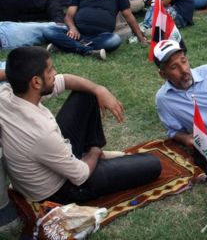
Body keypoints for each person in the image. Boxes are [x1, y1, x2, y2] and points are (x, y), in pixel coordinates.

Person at [0, 47, 161, 203]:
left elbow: (65, 80)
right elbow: (80, 175)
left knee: (87, 92)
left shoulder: (6, 95)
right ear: (36, 82)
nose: (55, 73)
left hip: (49, 157)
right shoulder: (42, 132)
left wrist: (99, 89)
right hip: (60, 189)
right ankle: (92, 154)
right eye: (50, 70)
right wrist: (96, 151)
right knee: (152, 164)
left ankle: (86, 154)